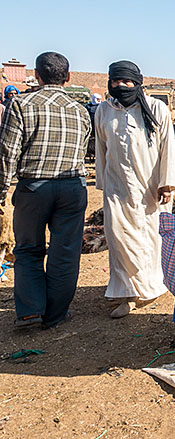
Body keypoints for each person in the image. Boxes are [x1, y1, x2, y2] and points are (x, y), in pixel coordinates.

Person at [0, 52, 90, 329]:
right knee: (65, 251)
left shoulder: (20, 105)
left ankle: (30, 312)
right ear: (68, 77)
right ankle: (56, 314)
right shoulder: (81, 111)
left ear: (37, 75)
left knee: (28, 249)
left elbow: (7, 152)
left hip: (34, 188)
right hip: (73, 188)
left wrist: (1, 191)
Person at [94, 61, 175, 318]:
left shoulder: (156, 109)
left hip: (150, 190)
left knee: (151, 239)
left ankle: (151, 286)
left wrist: (167, 184)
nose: (121, 86)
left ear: (137, 83)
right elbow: (100, 150)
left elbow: (168, 148)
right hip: (117, 189)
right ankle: (126, 294)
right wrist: (104, 185)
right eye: (116, 81)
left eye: (127, 82)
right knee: (119, 242)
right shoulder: (104, 111)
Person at [84, 93, 102, 162]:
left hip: (99, 127)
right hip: (91, 127)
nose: (99, 101)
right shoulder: (88, 107)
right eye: (97, 99)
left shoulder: (102, 107)